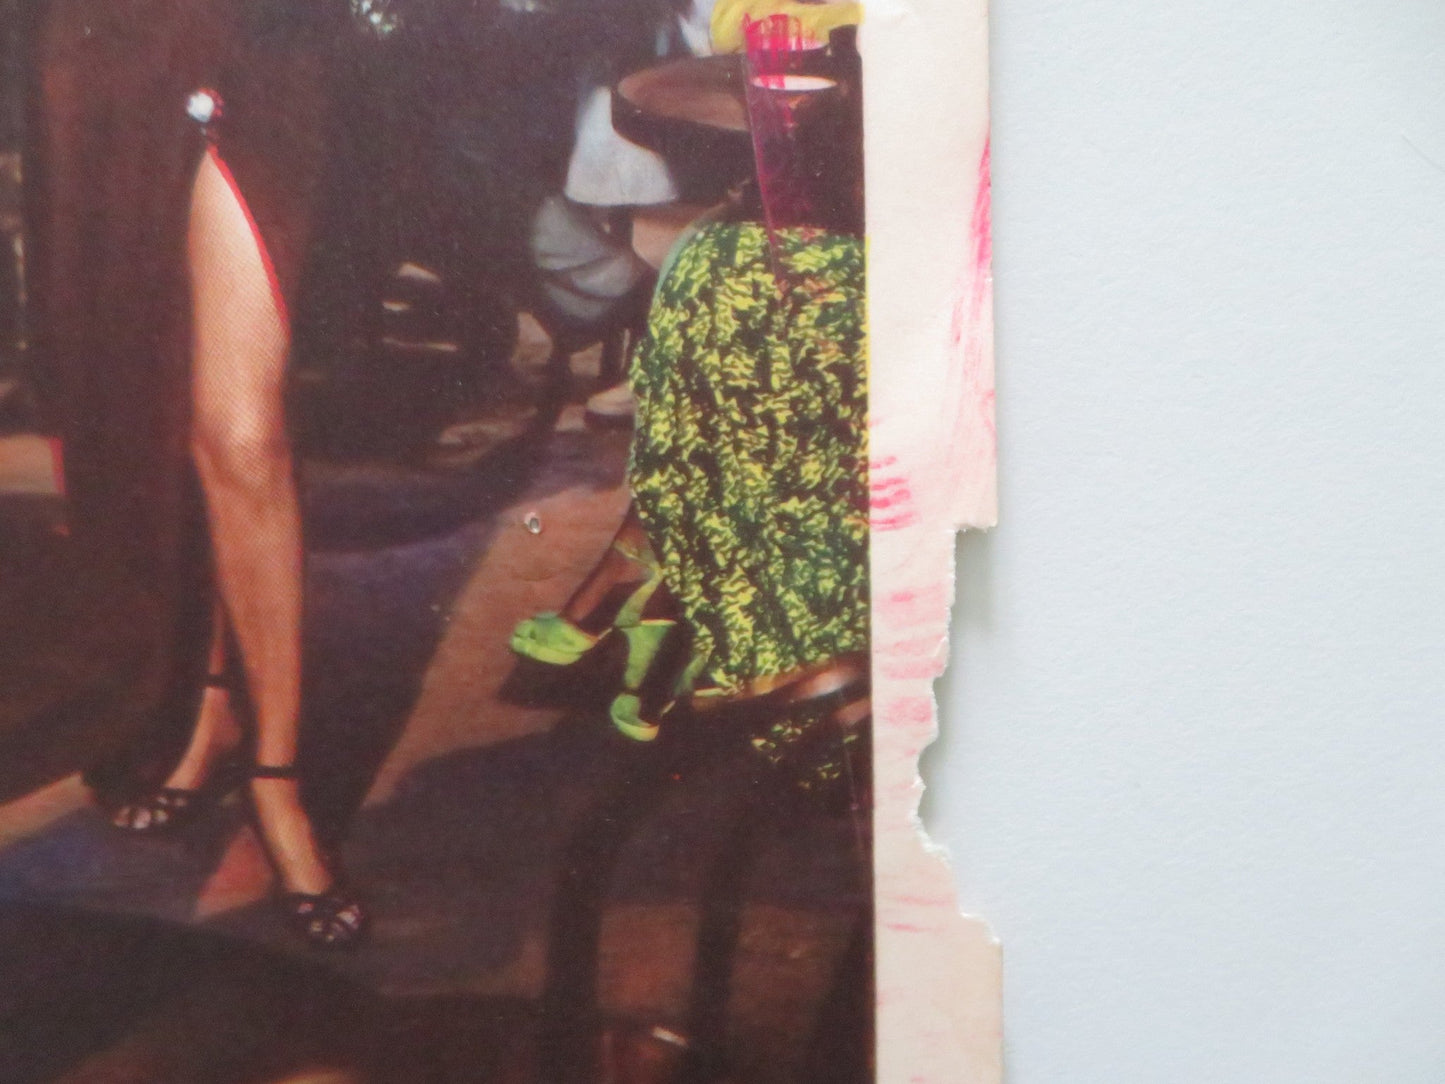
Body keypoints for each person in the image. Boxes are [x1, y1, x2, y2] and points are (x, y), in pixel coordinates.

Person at [101, 3, 366, 949]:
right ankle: (212, 708)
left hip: (265, 48)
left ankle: (277, 779)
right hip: (104, 55)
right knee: (168, 418)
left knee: (243, 435)